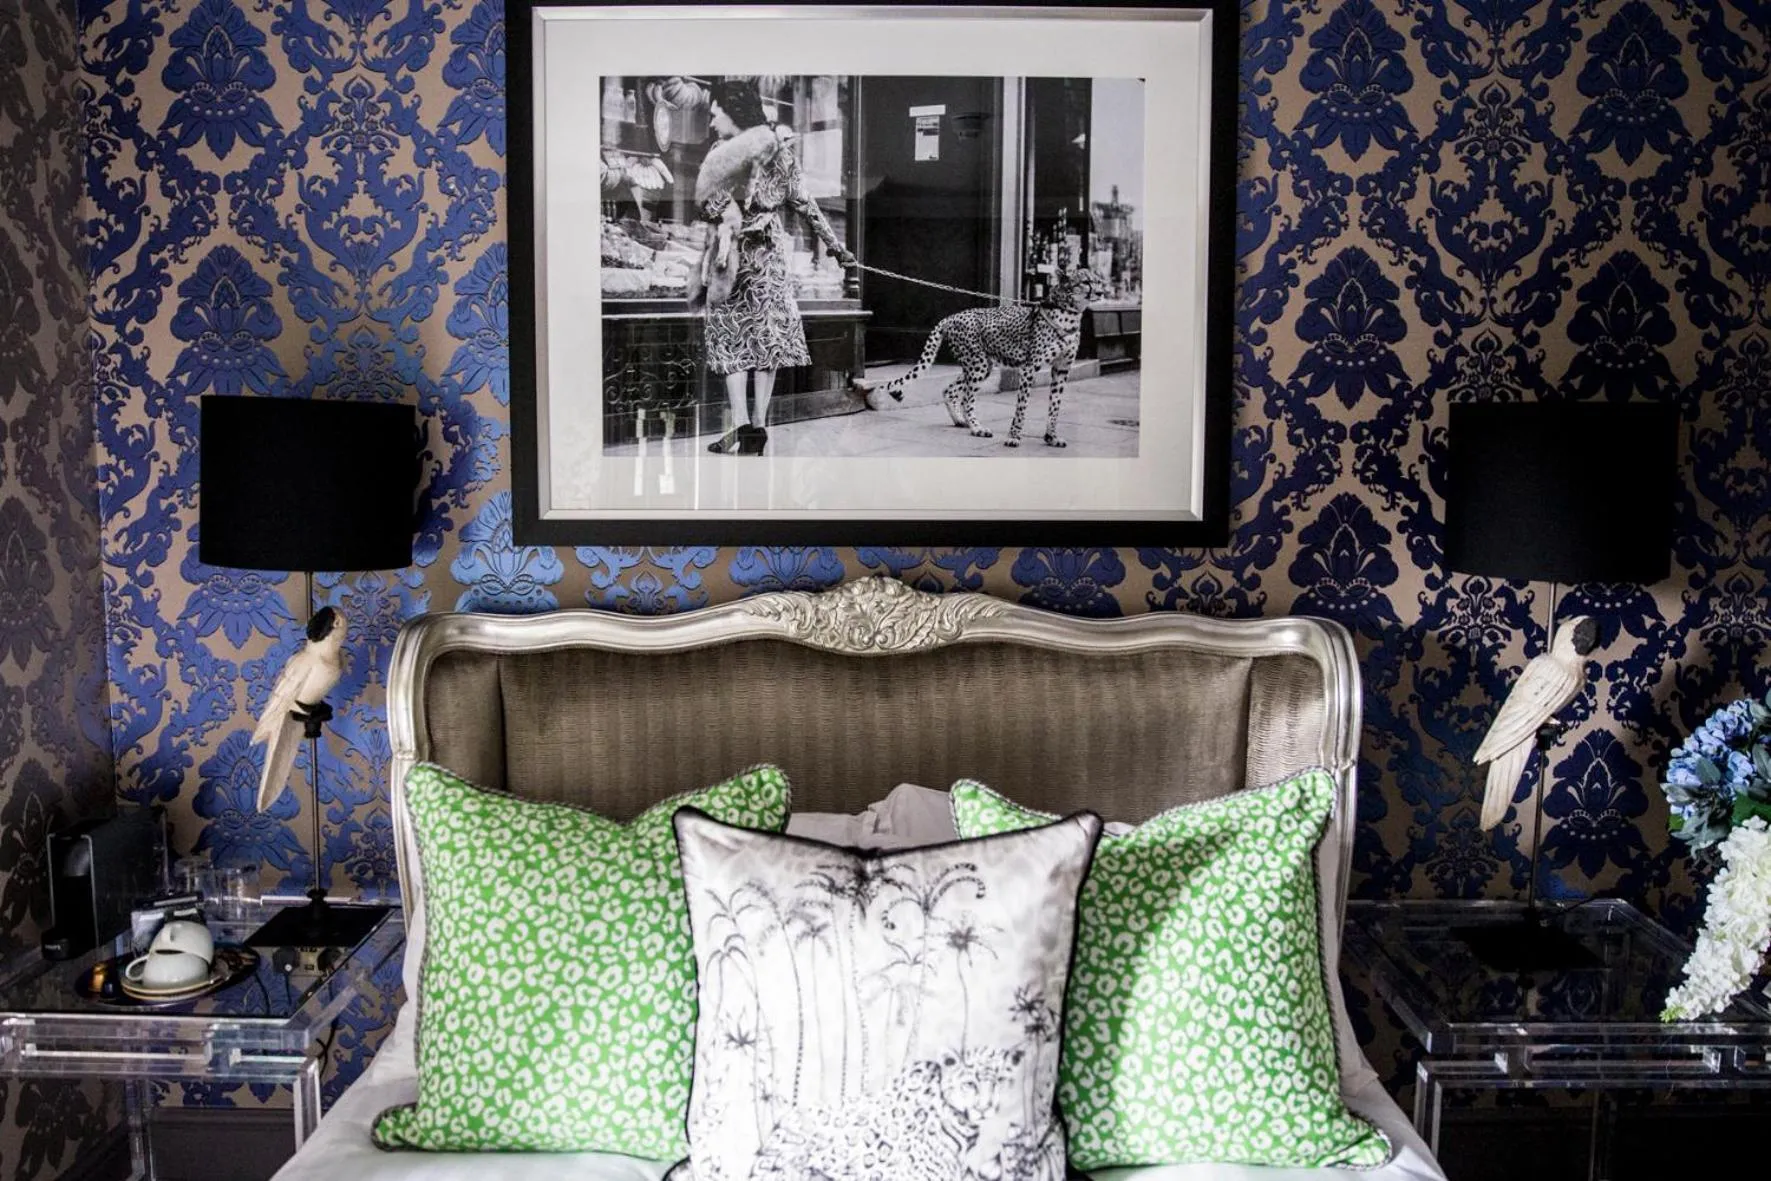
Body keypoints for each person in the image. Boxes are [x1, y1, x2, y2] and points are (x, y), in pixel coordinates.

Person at [691, 78, 857, 455]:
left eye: (716, 113)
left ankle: (740, 424)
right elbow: (805, 204)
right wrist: (837, 249)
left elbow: (706, 205)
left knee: (732, 340)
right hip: (768, 258)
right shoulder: (781, 154)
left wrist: (729, 218)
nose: (713, 120)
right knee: (765, 340)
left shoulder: (720, 153)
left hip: (730, 260)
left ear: (734, 114)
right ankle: (757, 427)